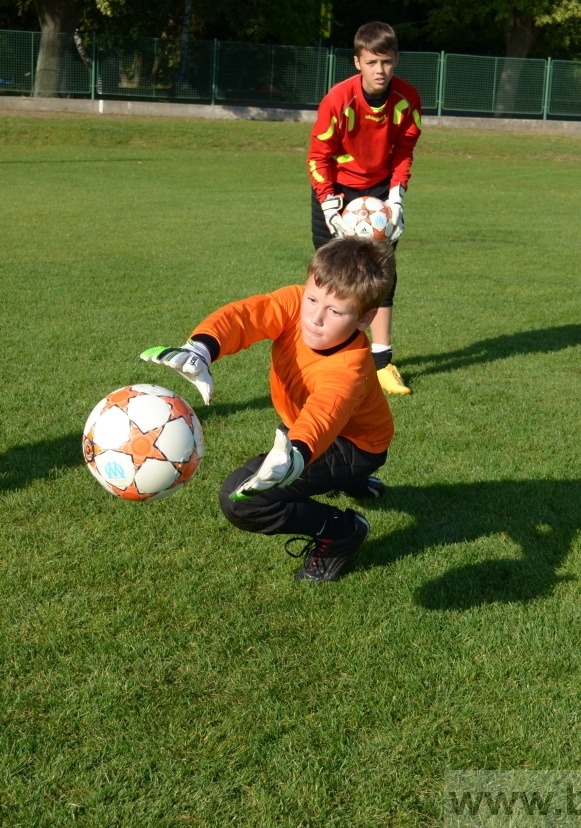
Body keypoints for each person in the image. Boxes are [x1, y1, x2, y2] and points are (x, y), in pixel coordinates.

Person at [141, 237, 396, 583]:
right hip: (309, 431)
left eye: (335, 311)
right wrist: (201, 348)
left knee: (242, 502)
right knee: (294, 462)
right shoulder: (294, 304)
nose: (315, 317)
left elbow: (324, 414)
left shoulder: (348, 370)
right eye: (312, 299)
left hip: (355, 445)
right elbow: (246, 317)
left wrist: (296, 454)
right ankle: (349, 481)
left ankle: (341, 531)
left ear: (365, 318)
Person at [307, 21, 422, 396]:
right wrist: (328, 204)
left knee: (380, 276)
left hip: (379, 193)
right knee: (330, 275)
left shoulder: (407, 99)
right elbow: (318, 156)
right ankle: (324, 358)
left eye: (386, 62)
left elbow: (404, 151)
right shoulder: (337, 100)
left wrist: (397, 198)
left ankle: (382, 362)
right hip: (337, 191)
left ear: (396, 61)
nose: (380, 70)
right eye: (372, 62)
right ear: (358, 61)